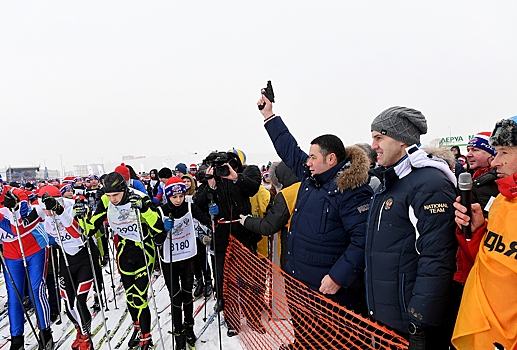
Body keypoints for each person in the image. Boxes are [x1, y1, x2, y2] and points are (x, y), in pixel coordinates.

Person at [257, 95, 372, 349]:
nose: (306, 162)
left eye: (312, 157)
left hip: (328, 292)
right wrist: (269, 116)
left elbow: (363, 240)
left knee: (329, 343)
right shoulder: (312, 180)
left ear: (330, 159)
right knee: (305, 338)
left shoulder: (349, 190)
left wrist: (338, 277)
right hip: (300, 285)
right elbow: (288, 149)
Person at [366, 106, 457, 349]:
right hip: (389, 316)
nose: (373, 145)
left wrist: (420, 321)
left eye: (379, 137)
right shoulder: (392, 181)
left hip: (412, 322)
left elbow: (437, 256)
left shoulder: (429, 184)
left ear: (402, 141)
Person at [452, 116, 517, 350]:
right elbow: (484, 260)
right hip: (479, 330)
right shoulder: (502, 200)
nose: (496, 161)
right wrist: (476, 230)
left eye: (504, 152)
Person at [84, 172, 165, 350]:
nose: (112, 199)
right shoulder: (106, 201)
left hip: (144, 250)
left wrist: (144, 209)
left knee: (139, 296)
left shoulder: (140, 197)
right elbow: (91, 227)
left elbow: (159, 229)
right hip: (124, 251)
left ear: (124, 189)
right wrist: (80, 218)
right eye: (109, 195)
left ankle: (146, 337)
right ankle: (138, 328)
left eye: (116, 195)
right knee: (130, 296)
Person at [194, 149, 262, 336]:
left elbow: (253, 187)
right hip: (222, 238)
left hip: (244, 234)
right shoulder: (213, 179)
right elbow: (197, 205)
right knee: (225, 280)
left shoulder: (248, 172)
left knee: (251, 278)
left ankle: (253, 316)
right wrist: (210, 186)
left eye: (229, 164)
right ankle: (231, 319)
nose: (224, 168)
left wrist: (234, 177)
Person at [158, 177, 211, 350]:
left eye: (181, 195)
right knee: (175, 298)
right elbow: (156, 240)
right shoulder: (161, 210)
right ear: (168, 196)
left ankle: (189, 327)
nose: (179, 200)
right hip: (170, 260)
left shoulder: (189, 206)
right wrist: (163, 230)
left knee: (187, 296)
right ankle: (178, 333)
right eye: (174, 197)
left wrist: (213, 214)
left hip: (188, 257)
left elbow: (205, 219)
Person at [0, 186, 54, 350]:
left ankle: (45, 332)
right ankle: (17, 339)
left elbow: (21, 219)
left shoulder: (14, 193)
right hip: (11, 254)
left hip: (34, 247)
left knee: (36, 290)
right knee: (14, 296)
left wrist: (16, 207)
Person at [239, 161, 300, 269]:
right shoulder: (307, 188)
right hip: (302, 249)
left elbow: (270, 224)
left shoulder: (285, 194)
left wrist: (247, 221)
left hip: (273, 244)